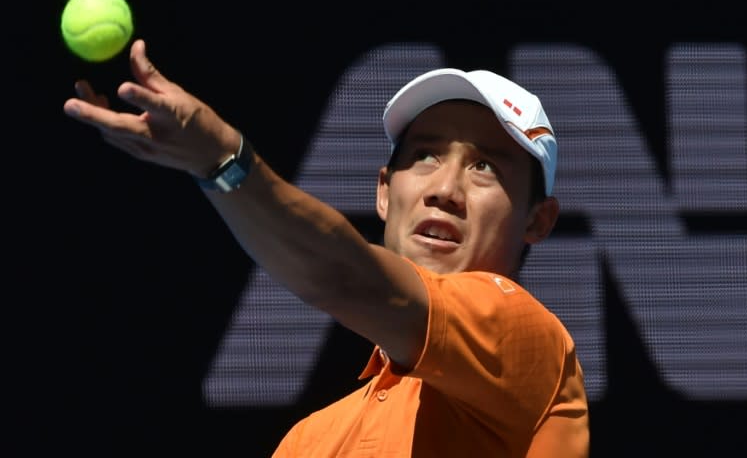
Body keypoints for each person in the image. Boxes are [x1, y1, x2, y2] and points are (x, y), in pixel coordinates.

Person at [63, 39, 590, 457]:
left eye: (485, 167)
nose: (443, 189)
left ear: (537, 221)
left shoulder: (529, 341)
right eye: (425, 156)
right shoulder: (307, 443)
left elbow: (351, 279)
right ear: (384, 191)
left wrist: (223, 159)